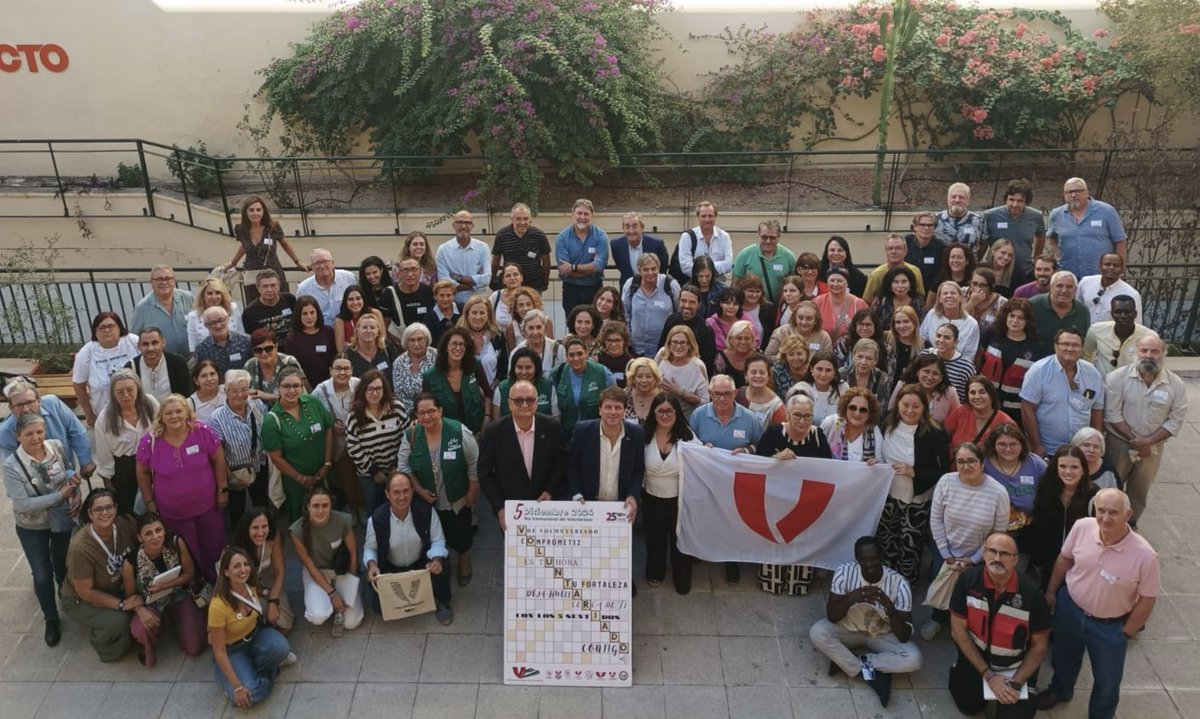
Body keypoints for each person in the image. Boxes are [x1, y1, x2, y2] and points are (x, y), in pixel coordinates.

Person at [1038, 489, 1158, 718]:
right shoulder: (1082, 527)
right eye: (1101, 510)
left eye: (1113, 512)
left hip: (1110, 626)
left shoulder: (1145, 555)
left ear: (1128, 514)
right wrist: (1052, 592)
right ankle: (1060, 691)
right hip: (1070, 610)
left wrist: (1126, 632)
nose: (1105, 518)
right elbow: (1064, 559)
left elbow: (1148, 598)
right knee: (1063, 658)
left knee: (1107, 680)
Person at [948, 531, 1050, 719]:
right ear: (984, 554)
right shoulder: (967, 580)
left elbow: (1040, 645)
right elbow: (957, 631)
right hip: (977, 660)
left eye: (1004, 554)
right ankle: (960, 670)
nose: (997, 558)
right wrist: (988, 675)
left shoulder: (1033, 594)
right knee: (969, 706)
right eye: (992, 551)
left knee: (1016, 715)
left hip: (1014, 665)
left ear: (1015, 560)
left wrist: (1016, 683)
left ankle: (1027, 688)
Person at [810, 536, 920, 709]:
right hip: (849, 629)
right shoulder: (844, 572)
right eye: (864, 560)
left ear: (881, 557)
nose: (869, 564)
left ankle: (849, 662)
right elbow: (832, 617)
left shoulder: (899, 584)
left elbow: (904, 635)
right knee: (817, 632)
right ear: (857, 559)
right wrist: (850, 598)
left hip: (881, 635)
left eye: (873, 559)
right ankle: (871, 671)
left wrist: (890, 609)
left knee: (914, 659)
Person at [3, 413, 83, 647]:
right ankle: (51, 618)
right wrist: (60, 496)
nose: (36, 438)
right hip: (32, 527)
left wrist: (75, 491)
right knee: (41, 574)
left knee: (61, 565)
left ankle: (65, 597)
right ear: (18, 436)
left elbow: (68, 471)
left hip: (60, 520)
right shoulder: (11, 466)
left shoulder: (56, 446)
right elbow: (23, 504)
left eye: (39, 432)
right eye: (29, 433)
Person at [135, 394, 228, 584]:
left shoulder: (203, 432)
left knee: (214, 546)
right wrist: (149, 501)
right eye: (169, 413)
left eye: (179, 411)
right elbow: (142, 472)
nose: (174, 416)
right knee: (186, 551)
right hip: (173, 512)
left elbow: (219, 460)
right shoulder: (150, 441)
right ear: (161, 417)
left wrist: (222, 490)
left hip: (208, 507)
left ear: (187, 412)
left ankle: (217, 583)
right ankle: (195, 586)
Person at [922, 442, 1010, 640]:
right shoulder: (946, 482)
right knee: (942, 589)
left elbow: (998, 532)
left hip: (979, 556)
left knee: (973, 596)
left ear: (982, 463)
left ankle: (969, 629)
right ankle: (938, 619)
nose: (966, 466)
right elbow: (936, 519)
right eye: (960, 461)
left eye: (971, 461)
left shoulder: (998, 492)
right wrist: (946, 554)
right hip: (946, 551)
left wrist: (975, 558)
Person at [397, 392, 481, 587]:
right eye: (422, 413)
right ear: (416, 415)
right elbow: (403, 466)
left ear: (440, 411)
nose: (427, 416)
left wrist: (472, 491)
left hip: (456, 497)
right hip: (427, 500)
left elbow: (473, 463)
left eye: (431, 411)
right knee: (433, 535)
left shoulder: (458, 431)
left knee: (461, 532)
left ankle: (464, 562)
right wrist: (419, 490)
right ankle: (440, 564)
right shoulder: (411, 435)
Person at [1104, 334, 1187, 524]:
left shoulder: (1176, 384)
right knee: (1111, 489)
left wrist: (1148, 442)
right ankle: (1105, 526)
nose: (1148, 355)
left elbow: (1175, 420)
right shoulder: (1117, 378)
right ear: (1136, 352)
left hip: (1153, 449)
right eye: (1144, 350)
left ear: (1163, 354)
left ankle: (1130, 527)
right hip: (1119, 444)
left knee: (1139, 492)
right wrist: (1137, 440)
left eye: (1154, 351)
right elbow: (1112, 414)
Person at [690, 374, 764, 585]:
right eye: (717, 394)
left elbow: (761, 444)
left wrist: (748, 450)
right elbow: (688, 442)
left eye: (727, 394)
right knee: (704, 516)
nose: (722, 399)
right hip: (706, 479)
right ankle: (699, 550)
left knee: (733, 521)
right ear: (710, 394)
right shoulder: (698, 415)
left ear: (735, 393)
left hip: (737, 482)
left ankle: (732, 560)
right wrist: (701, 448)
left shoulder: (750, 418)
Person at [756, 392, 831, 595]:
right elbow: (757, 463)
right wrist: (775, 458)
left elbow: (829, 467)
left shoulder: (817, 435)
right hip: (776, 500)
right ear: (788, 413)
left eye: (807, 416)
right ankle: (772, 580)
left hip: (805, 502)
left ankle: (797, 583)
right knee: (775, 539)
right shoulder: (774, 432)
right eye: (797, 415)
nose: (802, 420)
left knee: (802, 540)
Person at [878, 384, 950, 585]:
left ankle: (905, 585)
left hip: (916, 499)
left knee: (910, 546)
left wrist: (914, 472)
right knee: (887, 540)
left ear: (924, 407)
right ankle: (884, 580)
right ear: (897, 404)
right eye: (905, 405)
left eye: (916, 406)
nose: (909, 410)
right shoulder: (887, 424)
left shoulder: (935, 433)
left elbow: (942, 470)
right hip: (888, 496)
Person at [208, 546, 294, 708]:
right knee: (249, 695)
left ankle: (249, 673)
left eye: (246, 564)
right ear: (226, 572)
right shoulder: (218, 605)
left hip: (255, 635)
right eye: (236, 566)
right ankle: (243, 679)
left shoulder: (250, 584)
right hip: (232, 649)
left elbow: (263, 592)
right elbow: (218, 651)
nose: (243, 570)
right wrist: (238, 687)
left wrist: (273, 600)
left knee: (282, 648)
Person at [364, 472, 454, 625]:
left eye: (406, 491)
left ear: (412, 491)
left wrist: (436, 560)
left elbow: (438, 539)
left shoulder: (426, 511)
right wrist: (372, 565)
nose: (402, 497)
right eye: (396, 492)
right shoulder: (376, 519)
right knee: (378, 608)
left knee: (442, 561)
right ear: (387, 494)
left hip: (421, 565)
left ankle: (441, 601)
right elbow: (370, 548)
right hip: (391, 568)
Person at [479, 379, 568, 528]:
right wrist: (499, 507)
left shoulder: (552, 427)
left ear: (537, 402)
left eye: (530, 400)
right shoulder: (494, 432)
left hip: (545, 507)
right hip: (510, 510)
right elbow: (485, 473)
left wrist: (550, 491)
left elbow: (560, 462)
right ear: (509, 404)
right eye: (519, 401)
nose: (525, 405)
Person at [62, 489, 138, 661]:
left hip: (114, 586)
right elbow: (85, 592)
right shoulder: (81, 548)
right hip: (79, 599)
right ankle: (103, 642)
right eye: (98, 509)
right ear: (90, 513)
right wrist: (122, 604)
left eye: (109, 507)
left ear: (116, 508)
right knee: (121, 620)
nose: (105, 513)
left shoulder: (125, 523)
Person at [121, 512, 205, 666]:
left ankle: (177, 620)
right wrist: (141, 611)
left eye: (158, 530)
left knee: (194, 647)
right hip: (152, 604)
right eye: (148, 533)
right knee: (141, 627)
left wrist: (165, 586)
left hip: (179, 595)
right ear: (139, 537)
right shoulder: (131, 562)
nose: (155, 537)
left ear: (164, 530)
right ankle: (146, 643)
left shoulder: (176, 543)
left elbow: (189, 574)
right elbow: (131, 597)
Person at [640, 392, 699, 594]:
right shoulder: (643, 435)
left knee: (679, 540)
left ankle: (682, 576)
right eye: (660, 411)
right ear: (653, 412)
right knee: (654, 538)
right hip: (651, 497)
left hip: (680, 499)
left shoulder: (688, 435)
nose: (665, 415)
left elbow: (702, 462)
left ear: (677, 412)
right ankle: (655, 572)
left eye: (670, 411)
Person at [262, 366, 334, 522]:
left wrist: (327, 464)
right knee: (301, 521)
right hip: (295, 483)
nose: (291, 390)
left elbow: (328, 428)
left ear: (302, 387)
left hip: (323, 474)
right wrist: (301, 479)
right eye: (286, 386)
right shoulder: (272, 420)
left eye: (296, 386)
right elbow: (276, 458)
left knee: (325, 517)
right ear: (278, 387)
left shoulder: (313, 402)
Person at [290, 485, 364, 634]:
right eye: (316, 506)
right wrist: (332, 594)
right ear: (308, 506)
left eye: (325, 505)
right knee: (318, 616)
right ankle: (328, 602)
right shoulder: (297, 530)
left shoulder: (343, 521)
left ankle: (348, 599)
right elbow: (310, 565)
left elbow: (353, 553)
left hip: (341, 571)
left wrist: (351, 586)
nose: (320, 510)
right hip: (317, 572)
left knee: (351, 623)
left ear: (331, 505)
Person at [1020, 328, 1104, 457]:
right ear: (1055, 346)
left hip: (1082, 451)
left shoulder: (1092, 373)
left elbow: (1097, 410)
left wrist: (1095, 444)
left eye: (1075, 345)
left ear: (1081, 348)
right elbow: (1027, 409)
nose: (1070, 349)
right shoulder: (1039, 371)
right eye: (1065, 344)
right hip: (1048, 450)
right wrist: (1036, 445)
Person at [564, 386, 643, 520]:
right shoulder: (582, 431)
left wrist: (632, 495)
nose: (613, 412)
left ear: (624, 411)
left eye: (618, 407)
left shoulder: (636, 433)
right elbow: (572, 466)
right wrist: (576, 494)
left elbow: (638, 469)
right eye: (608, 407)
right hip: (587, 506)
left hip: (621, 507)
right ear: (600, 410)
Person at [1025, 446, 1097, 582]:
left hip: (1078, 563)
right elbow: (1038, 527)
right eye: (1063, 466)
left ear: (1083, 470)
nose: (1068, 472)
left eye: (1074, 467)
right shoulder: (1046, 490)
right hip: (1046, 563)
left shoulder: (1093, 495)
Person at [208, 370, 269, 530]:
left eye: (244, 389)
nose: (240, 395)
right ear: (225, 390)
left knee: (261, 505)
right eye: (234, 390)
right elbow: (218, 454)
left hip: (259, 466)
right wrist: (229, 478)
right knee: (237, 512)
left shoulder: (258, 405)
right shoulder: (217, 418)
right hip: (234, 473)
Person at [93, 371, 158, 515]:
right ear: (113, 393)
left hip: (152, 462)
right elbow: (105, 461)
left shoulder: (150, 403)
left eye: (130, 390)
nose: (126, 395)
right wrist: (111, 494)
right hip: (124, 469)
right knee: (129, 513)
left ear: (138, 388)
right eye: (120, 392)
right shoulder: (105, 420)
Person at [346, 369, 409, 515]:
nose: (374, 393)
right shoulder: (355, 415)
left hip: (397, 469)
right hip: (369, 474)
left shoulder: (396, 408)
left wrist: (396, 466)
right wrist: (374, 471)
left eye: (378, 389)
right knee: (374, 511)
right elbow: (353, 447)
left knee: (399, 508)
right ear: (363, 390)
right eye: (370, 389)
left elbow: (406, 438)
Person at [0, 376, 93, 474]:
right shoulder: (6, 433)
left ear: (39, 401)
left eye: (29, 402)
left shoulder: (53, 404)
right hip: (35, 479)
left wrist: (85, 462)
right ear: (11, 408)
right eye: (19, 405)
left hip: (67, 469)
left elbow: (77, 432)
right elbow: (15, 468)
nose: (26, 409)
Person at [222, 195, 308, 301]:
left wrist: (298, 262)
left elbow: (285, 244)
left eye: (258, 210)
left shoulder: (272, 227)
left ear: (263, 211)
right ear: (245, 212)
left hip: (273, 273)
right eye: (251, 210)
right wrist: (233, 263)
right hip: (253, 277)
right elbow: (245, 245)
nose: (255, 213)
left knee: (280, 302)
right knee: (256, 305)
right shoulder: (241, 229)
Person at [1046, 177, 1127, 280]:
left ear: (1086, 192)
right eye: (1069, 192)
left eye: (1077, 191)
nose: (1073, 195)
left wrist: (1120, 270)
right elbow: (1051, 238)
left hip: (1101, 276)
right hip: (1069, 277)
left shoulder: (1106, 211)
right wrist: (1058, 257)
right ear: (1064, 194)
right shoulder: (1056, 215)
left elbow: (1120, 241)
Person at [978, 298, 1042, 423]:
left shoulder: (1036, 347)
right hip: (986, 402)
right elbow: (979, 359)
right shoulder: (992, 335)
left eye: (1021, 318)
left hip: (1015, 409)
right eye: (1012, 316)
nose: (1015, 321)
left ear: (1028, 321)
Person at [72, 311, 140, 427]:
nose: (107, 330)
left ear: (119, 327)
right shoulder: (86, 352)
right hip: (105, 415)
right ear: (95, 332)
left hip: (138, 411)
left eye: (111, 326)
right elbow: (78, 385)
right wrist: (89, 414)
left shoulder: (133, 342)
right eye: (102, 327)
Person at [232, 508, 295, 632]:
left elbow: (280, 571)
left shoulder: (273, 537)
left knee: (286, 624)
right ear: (247, 528)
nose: (260, 533)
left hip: (270, 585)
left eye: (264, 527)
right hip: (247, 590)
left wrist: (273, 601)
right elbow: (234, 585)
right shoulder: (236, 548)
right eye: (255, 528)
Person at [312, 357, 361, 514]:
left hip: (359, 439)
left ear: (352, 370)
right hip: (336, 444)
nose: (342, 372)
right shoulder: (320, 390)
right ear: (330, 371)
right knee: (345, 477)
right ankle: (352, 509)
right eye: (338, 368)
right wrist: (330, 425)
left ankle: (361, 507)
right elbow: (312, 413)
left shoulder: (359, 385)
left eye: (346, 369)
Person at [982, 423, 1045, 542]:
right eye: (1002, 444)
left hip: (1028, 533)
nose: (1008, 449)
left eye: (1013, 444)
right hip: (989, 531)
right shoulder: (983, 465)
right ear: (993, 445)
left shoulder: (1037, 464)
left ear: (1022, 444)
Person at [550, 336, 617, 439]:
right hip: (567, 436)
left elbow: (615, 401)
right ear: (566, 357)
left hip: (595, 435)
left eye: (580, 354)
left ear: (586, 354)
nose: (576, 358)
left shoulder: (603, 373)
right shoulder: (557, 372)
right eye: (571, 355)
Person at [422, 327, 487, 434]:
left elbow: (488, 393)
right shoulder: (430, 376)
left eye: (462, 344)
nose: (458, 348)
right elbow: (426, 406)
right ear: (446, 347)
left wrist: (487, 417)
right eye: (454, 344)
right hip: (446, 434)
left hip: (476, 432)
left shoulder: (474, 365)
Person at [982, 178, 1046, 285]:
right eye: (1011, 200)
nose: (1015, 204)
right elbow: (983, 242)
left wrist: (1036, 257)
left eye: (1020, 201)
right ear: (1006, 199)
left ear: (1026, 202)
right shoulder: (990, 216)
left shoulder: (1036, 217)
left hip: (1024, 272)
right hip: (997, 274)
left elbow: (1041, 236)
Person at [555, 199, 608, 314]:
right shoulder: (562, 238)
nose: (582, 217)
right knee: (573, 322)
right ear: (572, 215)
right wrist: (591, 270)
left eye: (586, 214)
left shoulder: (601, 236)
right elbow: (564, 270)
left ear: (591, 216)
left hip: (595, 289)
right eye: (579, 213)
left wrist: (573, 267)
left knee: (595, 322)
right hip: (571, 290)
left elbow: (599, 265)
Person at [944, 376, 1014, 461]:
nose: (977, 396)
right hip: (956, 467)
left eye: (982, 392)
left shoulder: (1005, 422)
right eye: (973, 393)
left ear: (991, 394)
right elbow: (944, 438)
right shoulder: (959, 413)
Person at [1083, 294, 1153, 377]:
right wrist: (1091, 375)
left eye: (1127, 312)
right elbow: (1087, 354)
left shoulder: (1149, 337)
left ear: (1135, 314)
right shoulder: (1096, 330)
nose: (1123, 316)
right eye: (1117, 312)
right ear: (1112, 314)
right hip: (1102, 383)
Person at [623, 253, 679, 358]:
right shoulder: (631, 285)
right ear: (639, 270)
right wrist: (627, 337)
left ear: (659, 268)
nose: (650, 273)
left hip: (664, 349)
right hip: (636, 349)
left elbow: (679, 313)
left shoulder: (670, 285)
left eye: (654, 269)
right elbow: (625, 314)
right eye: (645, 269)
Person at [129, 265, 193, 357]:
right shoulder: (142, 308)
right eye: (159, 279)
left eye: (168, 278)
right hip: (162, 361)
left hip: (192, 358)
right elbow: (134, 340)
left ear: (174, 281)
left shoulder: (188, 298)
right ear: (152, 283)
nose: (164, 282)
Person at [657, 284, 719, 375]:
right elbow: (662, 348)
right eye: (684, 301)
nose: (687, 305)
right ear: (679, 301)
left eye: (692, 302)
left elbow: (707, 364)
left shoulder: (706, 330)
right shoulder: (671, 320)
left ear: (699, 304)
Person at [733, 219, 796, 304]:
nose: (768, 241)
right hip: (751, 307)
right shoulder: (744, 255)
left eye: (772, 238)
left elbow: (795, 284)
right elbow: (736, 285)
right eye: (764, 237)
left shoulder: (789, 257)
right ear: (758, 234)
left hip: (779, 307)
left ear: (778, 237)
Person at [491, 202, 551, 291]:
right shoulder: (502, 235)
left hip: (534, 285)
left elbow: (546, 261)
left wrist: (545, 281)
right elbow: (496, 260)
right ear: (512, 219)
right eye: (518, 219)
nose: (522, 222)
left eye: (526, 219)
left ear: (530, 219)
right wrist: (493, 279)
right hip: (511, 286)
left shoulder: (539, 236)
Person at [458, 294, 509, 398]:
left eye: (482, 313)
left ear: (488, 315)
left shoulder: (497, 336)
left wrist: (490, 390)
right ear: (467, 314)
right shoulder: (458, 337)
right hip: (465, 394)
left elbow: (503, 366)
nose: (478, 317)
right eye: (474, 313)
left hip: (494, 393)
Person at [821, 387, 885, 465]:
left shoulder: (874, 431)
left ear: (870, 413)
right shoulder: (831, 423)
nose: (857, 413)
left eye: (863, 410)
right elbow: (817, 448)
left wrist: (876, 463)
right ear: (845, 408)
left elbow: (881, 461)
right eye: (852, 408)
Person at [283, 296, 338, 387]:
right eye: (305, 314)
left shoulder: (329, 332)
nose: (309, 317)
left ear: (318, 313)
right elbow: (294, 369)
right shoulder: (292, 339)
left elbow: (335, 358)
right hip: (306, 386)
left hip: (331, 383)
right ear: (298, 315)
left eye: (312, 312)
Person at [889, 353, 960, 424]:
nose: (930, 377)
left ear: (941, 377)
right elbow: (891, 412)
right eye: (926, 371)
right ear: (917, 372)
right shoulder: (902, 385)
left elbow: (958, 419)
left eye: (935, 374)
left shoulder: (949, 392)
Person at [657, 325, 710, 419]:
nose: (678, 346)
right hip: (661, 415)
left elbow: (705, 401)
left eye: (683, 343)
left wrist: (680, 393)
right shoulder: (662, 355)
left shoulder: (698, 366)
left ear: (690, 345)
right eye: (674, 342)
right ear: (669, 343)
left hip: (686, 418)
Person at [125, 326, 191, 401]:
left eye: (154, 343)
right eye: (145, 344)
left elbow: (185, 397)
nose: (150, 348)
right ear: (139, 346)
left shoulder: (178, 363)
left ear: (163, 343)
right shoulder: (131, 368)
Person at [296, 248, 358, 327]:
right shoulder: (303, 289)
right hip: (320, 331)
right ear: (312, 267)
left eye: (325, 261)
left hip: (348, 329)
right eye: (317, 263)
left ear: (332, 263)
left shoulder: (349, 278)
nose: (322, 266)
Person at [920, 281, 980, 358]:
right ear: (940, 299)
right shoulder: (932, 314)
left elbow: (970, 354)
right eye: (945, 293)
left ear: (961, 298)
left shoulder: (972, 324)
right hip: (931, 360)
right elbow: (922, 338)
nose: (949, 296)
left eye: (953, 293)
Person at [676, 200, 733, 280]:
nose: (707, 219)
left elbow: (729, 264)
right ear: (698, 217)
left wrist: (701, 267)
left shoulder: (724, 237)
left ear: (715, 217)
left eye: (710, 216)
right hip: (695, 283)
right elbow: (686, 266)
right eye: (703, 216)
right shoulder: (687, 237)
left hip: (718, 282)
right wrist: (712, 268)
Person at [611, 211, 668, 289]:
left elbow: (662, 268)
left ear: (642, 228)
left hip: (653, 288)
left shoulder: (657, 245)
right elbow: (620, 266)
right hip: (628, 289)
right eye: (627, 227)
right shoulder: (616, 245)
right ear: (623, 229)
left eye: (635, 227)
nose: (631, 231)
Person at [493, 348, 557, 418]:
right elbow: (496, 421)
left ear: (536, 368)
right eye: (519, 367)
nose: (524, 372)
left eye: (528, 367)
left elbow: (556, 418)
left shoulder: (548, 387)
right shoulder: (502, 389)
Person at [244, 328, 302, 405]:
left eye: (269, 348)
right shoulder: (250, 365)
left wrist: (267, 396)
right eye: (258, 350)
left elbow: (300, 396)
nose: (264, 353)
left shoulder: (288, 362)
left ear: (276, 346)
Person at [863, 234, 927, 303]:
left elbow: (920, 297)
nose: (893, 251)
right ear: (886, 251)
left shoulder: (915, 271)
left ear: (905, 251)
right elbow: (867, 301)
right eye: (890, 248)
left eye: (898, 248)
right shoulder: (876, 275)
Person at [186, 276, 244, 352]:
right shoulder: (193, 316)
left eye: (217, 293)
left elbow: (241, 334)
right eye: (210, 293)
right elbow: (193, 347)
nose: (214, 297)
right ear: (203, 295)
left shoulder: (233, 308)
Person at [1030, 271, 1090, 343]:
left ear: (1075, 290)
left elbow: (1084, 340)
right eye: (1059, 286)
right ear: (1051, 287)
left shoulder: (1082, 311)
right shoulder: (1034, 305)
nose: (1064, 290)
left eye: (1069, 287)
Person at [340, 314, 398, 387]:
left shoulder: (387, 347)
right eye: (364, 327)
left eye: (372, 328)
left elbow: (398, 371)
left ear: (378, 331)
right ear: (357, 330)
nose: (368, 331)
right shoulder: (348, 354)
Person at [241, 270, 298, 345]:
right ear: (258, 288)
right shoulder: (249, 312)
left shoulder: (290, 300)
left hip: (291, 345)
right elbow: (249, 338)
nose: (269, 290)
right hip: (267, 350)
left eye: (273, 285)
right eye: (265, 286)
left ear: (279, 285)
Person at [194, 306, 252, 379]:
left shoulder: (246, 341)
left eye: (221, 320)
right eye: (212, 323)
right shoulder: (202, 349)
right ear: (206, 326)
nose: (218, 325)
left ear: (227, 319)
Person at [923, 322, 975, 403]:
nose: (941, 340)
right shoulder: (924, 355)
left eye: (947, 337)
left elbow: (968, 397)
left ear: (956, 342)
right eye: (939, 336)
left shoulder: (966, 367)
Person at [392, 322, 437, 414]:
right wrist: (415, 412)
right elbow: (399, 393)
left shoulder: (437, 357)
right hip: (408, 413)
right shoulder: (399, 362)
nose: (416, 344)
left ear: (426, 340)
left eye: (420, 339)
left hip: (434, 409)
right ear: (406, 342)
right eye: (412, 340)